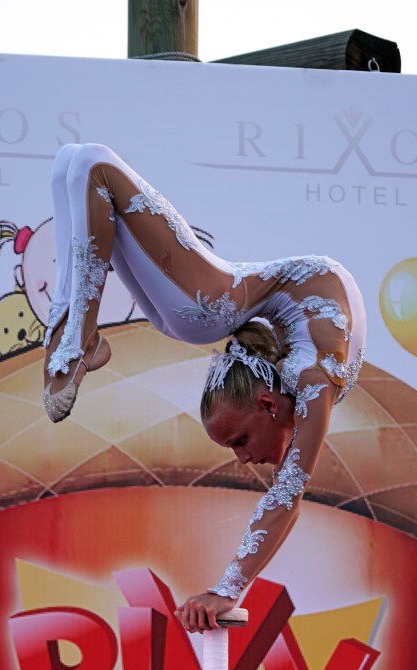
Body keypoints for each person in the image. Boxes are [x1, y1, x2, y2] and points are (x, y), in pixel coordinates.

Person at [43, 143, 366, 632]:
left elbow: (285, 499)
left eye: (237, 442)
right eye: (239, 441)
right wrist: (226, 591)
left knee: (79, 169)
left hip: (212, 308)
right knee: (80, 164)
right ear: (267, 403)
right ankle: (77, 335)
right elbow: (287, 497)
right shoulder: (311, 383)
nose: (243, 459)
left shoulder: (300, 375)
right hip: (210, 307)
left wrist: (226, 589)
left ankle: (72, 331)